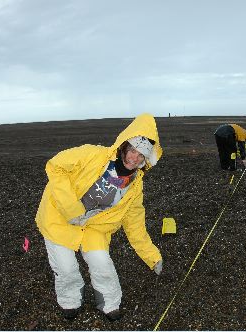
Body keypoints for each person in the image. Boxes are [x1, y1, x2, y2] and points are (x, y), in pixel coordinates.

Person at [35, 113, 163, 321]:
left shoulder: (134, 186)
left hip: (93, 225)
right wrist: (71, 209)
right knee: (66, 267)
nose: (135, 158)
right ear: (124, 146)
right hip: (58, 217)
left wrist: (152, 256)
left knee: (102, 262)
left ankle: (109, 303)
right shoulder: (92, 155)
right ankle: (70, 301)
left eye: (141, 155)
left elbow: (135, 224)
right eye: (132, 150)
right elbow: (55, 165)